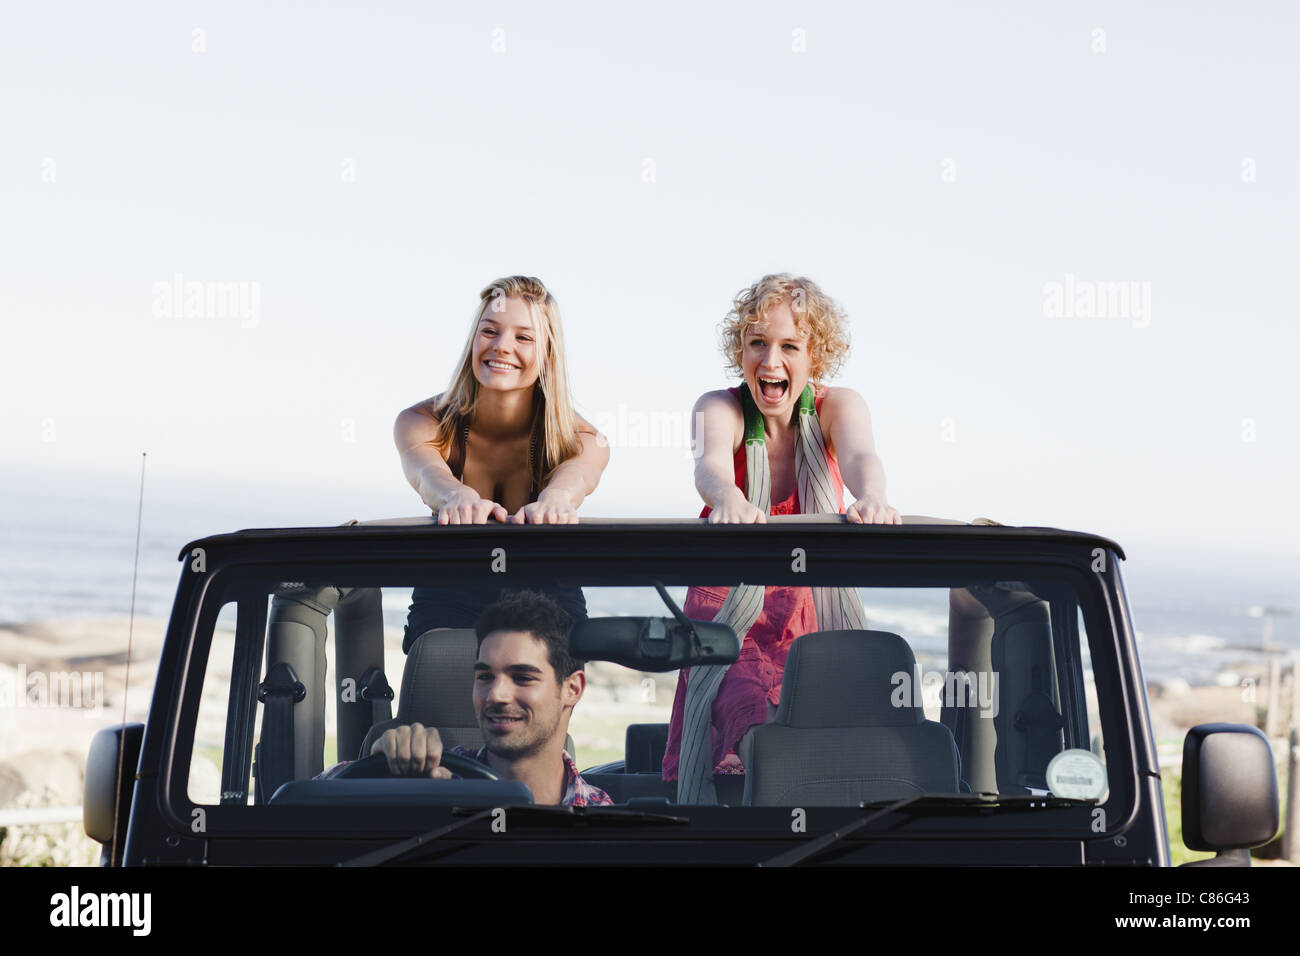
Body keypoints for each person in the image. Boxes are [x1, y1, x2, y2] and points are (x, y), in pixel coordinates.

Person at [663, 273, 901, 785]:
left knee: (817, 709)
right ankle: (764, 786)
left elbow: (861, 456)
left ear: (817, 357)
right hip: (726, 596)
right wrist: (727, 497)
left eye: (789, 346)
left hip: (805, 600)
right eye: (757, 344)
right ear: (740, 349)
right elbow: (709, 467)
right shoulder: (719, 405)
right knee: (740, 695)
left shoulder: (840, 405)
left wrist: (873, 498)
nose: (770, 361)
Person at [394, 276, 610, 651]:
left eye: (523, 338)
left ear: (548, 352)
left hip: (548, 594)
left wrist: (557, 498)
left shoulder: (584, 439)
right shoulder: (420, 421)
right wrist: (456, 496)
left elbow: (576, 476)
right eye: (489, 331)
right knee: (434, 706)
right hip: (449, 590)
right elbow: (427, 474)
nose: (501, 347)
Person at [320, 590, 612, 807]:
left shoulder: (604, 820)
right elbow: (305, 801)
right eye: (484, 676)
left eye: (523, 677)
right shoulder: (429, 780)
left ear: (572, 689)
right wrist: (377, 775)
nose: (496, 695)